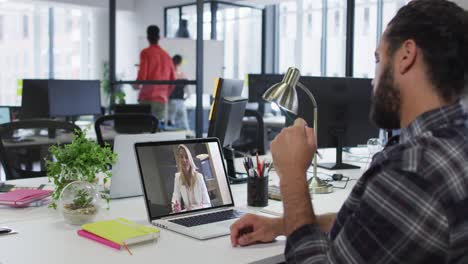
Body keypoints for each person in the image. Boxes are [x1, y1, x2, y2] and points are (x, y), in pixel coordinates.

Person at [230, 0, 468, 263]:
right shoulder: (454, 144)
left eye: (378, 59)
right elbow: (374, 228)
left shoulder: (412, 170)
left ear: (405, 55)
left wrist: (293, 176)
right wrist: (282, 225)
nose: (372, 79)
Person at [134, 25, 175, 123]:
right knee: (157, 129)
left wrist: (135, 85)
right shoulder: (166, 55)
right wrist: (165, 94)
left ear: (147, 37)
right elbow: (173, 81)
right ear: (159, 37)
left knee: (144, 129)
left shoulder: (146, 53)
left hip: (147, 98)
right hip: (161, 99)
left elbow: (142, 76)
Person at [171, 144, 211, 213]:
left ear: (190, 159)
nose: (184, 160)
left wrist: (193, 209)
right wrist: (175, 207)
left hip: (201, 213)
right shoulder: (178, 177)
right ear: (179, 159)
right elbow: (175, 197)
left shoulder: (199, 177)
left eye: (186, 157)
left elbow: (207, 204)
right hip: (187, 214)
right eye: (181, 157)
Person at [168, 55, 190, 130]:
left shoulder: (169, 74)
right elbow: (188, 93)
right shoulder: (183, 75)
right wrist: (184, 99)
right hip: (180, 102)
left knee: (169, 124)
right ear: (180, 63)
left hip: (171, 101)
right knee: (183, 125)